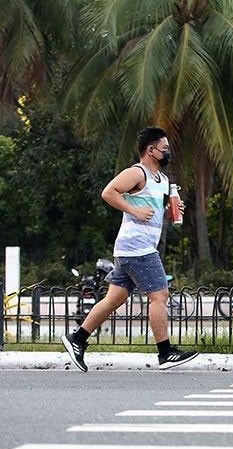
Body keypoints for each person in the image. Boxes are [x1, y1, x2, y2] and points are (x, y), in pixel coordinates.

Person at [61, 126, 198, 371]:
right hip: (138, 247)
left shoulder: (163, 180)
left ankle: (77, 339)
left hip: (130, 248)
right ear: (151, 150)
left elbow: (151, 214)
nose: (168, 153)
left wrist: (168, 214)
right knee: (160, 296)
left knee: (115, 298)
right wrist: (134, 210)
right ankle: (165, 353)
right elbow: (108, 192)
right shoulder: (137, 173)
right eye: (164, 149)